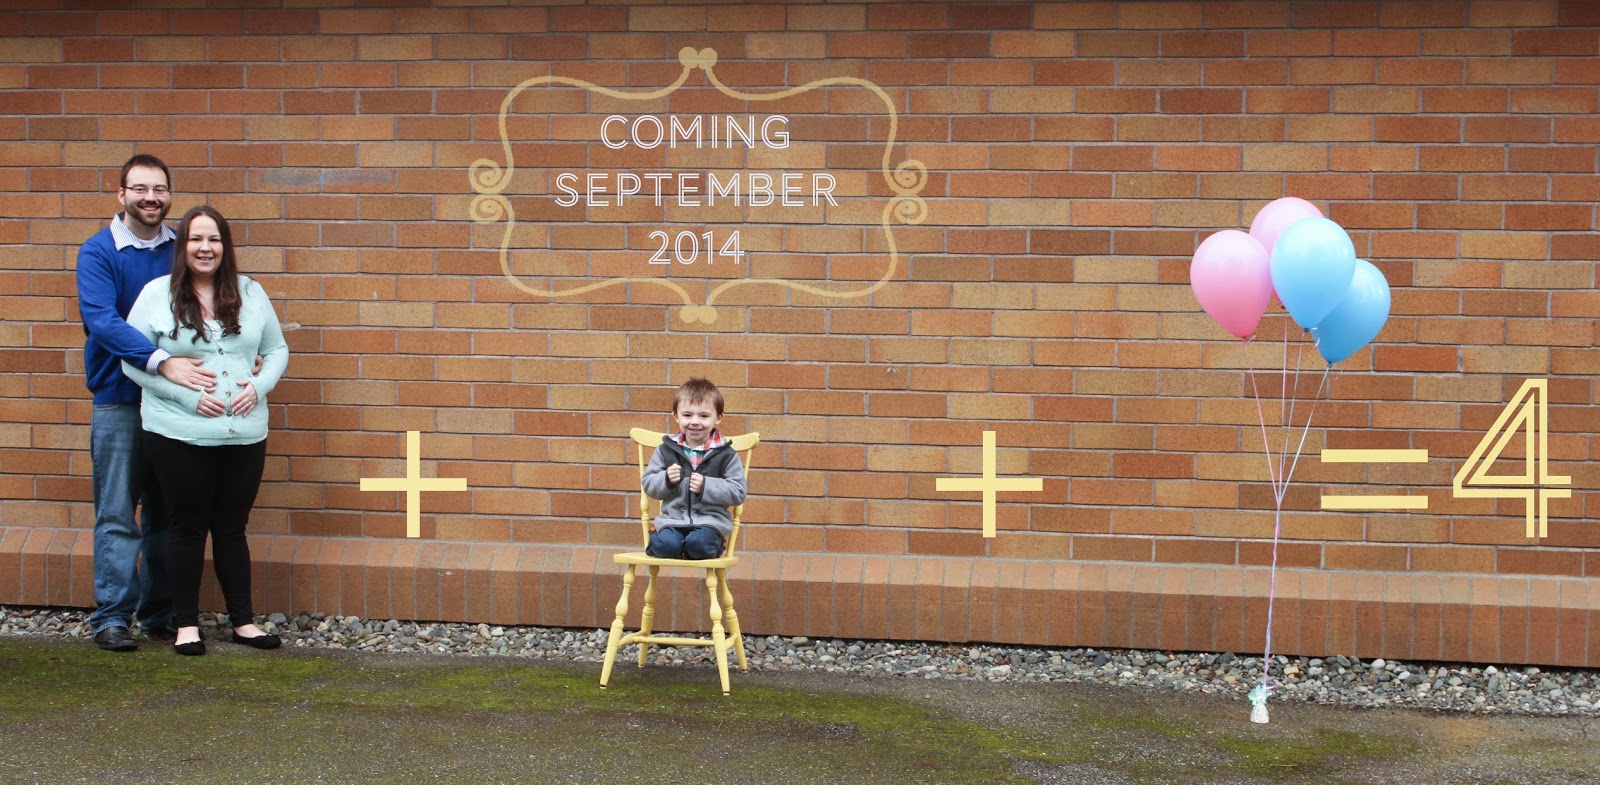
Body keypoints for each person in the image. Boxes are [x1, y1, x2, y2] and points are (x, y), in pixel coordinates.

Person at [120, 205, 289, 656]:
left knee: (232, 528)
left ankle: (243, 622)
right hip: (178, 433)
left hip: (244, 433)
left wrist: (259, 386)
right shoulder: (157, 295)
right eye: (196, 238)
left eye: (213, 239)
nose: (205, 247)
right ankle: (186, 626)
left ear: (225, 246)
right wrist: (186, 397)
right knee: (186, 528)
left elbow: (276, 349)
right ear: (182, 246)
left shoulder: (250, 292)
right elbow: (131, 361)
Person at [76, 154, 219, 652]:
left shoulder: (181, 250)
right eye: (139, 189)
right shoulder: (99, 252)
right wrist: (162, 361)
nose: (150, 198)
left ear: (169, 195)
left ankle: (160, 612)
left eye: (159, 189)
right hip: (120, 401)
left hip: (175, 403)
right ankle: (112, 617)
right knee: (118, 513)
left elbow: (209, 308)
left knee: (167, 513)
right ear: (122, 195)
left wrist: (249, 355)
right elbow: (102, 321)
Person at [641, 378, 747, 559]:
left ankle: (695, 546)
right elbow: (649, 484)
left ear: (718, 417)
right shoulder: (666, 450)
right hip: (672, 521)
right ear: (676, 416)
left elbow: (738, 492)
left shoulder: (726, 454)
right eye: (687, 415)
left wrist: (706, 486)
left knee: (699, 545)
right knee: (666, 546)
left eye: (704, 416)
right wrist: (666, 479)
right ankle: (671, 543)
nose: (695, 422)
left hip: (710, 524)